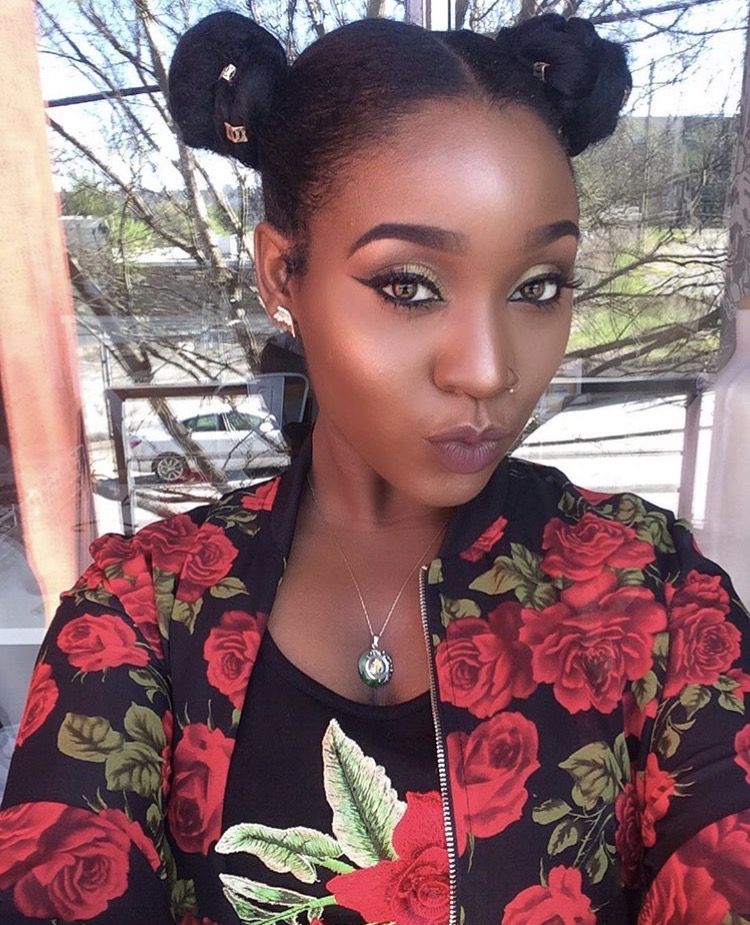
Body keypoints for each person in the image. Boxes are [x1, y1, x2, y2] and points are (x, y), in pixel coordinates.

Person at [1, 10, 749, 925]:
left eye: (538, 286)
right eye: (409, 285)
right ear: (282, 274)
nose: (488, 369)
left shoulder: (655, 590)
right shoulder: (142, 610)